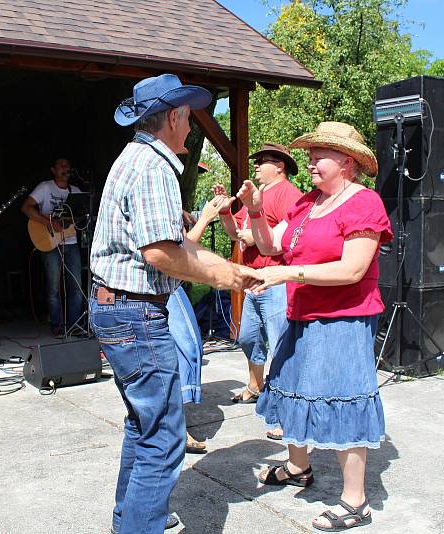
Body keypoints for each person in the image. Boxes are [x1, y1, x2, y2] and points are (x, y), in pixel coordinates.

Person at [90, 73, 260, 534]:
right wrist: (228, 275)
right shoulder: (154, 166)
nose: (192, 128)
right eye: (189, 118)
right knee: (165, 440)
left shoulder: (137, 158)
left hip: (118, 309)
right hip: (135, 314)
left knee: (144, 427)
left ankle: (131, 522)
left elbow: (174, 246)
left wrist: (229, 267)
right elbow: (162, 254)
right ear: (172, 117)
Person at [241, 122, 392, 532]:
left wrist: (289, 273)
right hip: (301, 314)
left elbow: (354, 268)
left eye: (319, 154)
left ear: (347, 162)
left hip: (344, 318)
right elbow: (270, 245)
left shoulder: (364, 203)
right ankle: (297, 467)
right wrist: (254, 208)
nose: (309, 161)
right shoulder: (307, 203)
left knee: (344, 399)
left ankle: (355, 501)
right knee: (289, 390)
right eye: (310, 153)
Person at [215, 144, 302, 420]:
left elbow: (292, 233)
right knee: (248, 338)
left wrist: (260, 234)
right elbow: (236, 234)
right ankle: (256, 385)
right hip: (253, 282)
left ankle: (285, 411)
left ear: (280, 166)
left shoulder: (290, 194)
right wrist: (225, 212)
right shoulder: (258, 194)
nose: (256, 165)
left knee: (281, 348)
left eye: (262, 161)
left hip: (276, 282)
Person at [21, 158, 83, 336]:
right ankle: (57, 325)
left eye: (67, 166)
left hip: (71, 243)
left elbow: (80, 219)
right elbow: (26, 207)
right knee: (53, 288)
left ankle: (74, 325)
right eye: (61, 166)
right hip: (50, 243)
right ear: (53, 170)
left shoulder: (76, 191)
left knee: (77, 288)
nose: (66, 168)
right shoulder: (46, 187)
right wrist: (48, 222)